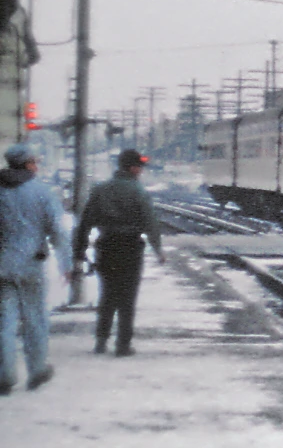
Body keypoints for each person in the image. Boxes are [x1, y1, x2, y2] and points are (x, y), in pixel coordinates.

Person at [73, 148, 166, 356]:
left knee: (107, 294)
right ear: (132, 168)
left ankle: (101, 340)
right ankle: (123, 344)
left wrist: (79, 251)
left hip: (106, 246)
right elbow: (150, 223)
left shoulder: (100, 190)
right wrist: (158, 249)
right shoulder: (138, 191)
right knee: (127, 297)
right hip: (131, 248)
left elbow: (85, 222)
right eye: (139, 167)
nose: (141, 171)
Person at [0, 145, 72, 392]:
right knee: (34, 320)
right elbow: (58, 231)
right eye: (35, 161)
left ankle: (5, 375)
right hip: (31, 264)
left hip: (2, 266)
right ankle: (37, 369)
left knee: (4, 322)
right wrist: (67, 263)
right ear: (28, 164)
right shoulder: (42, 192)